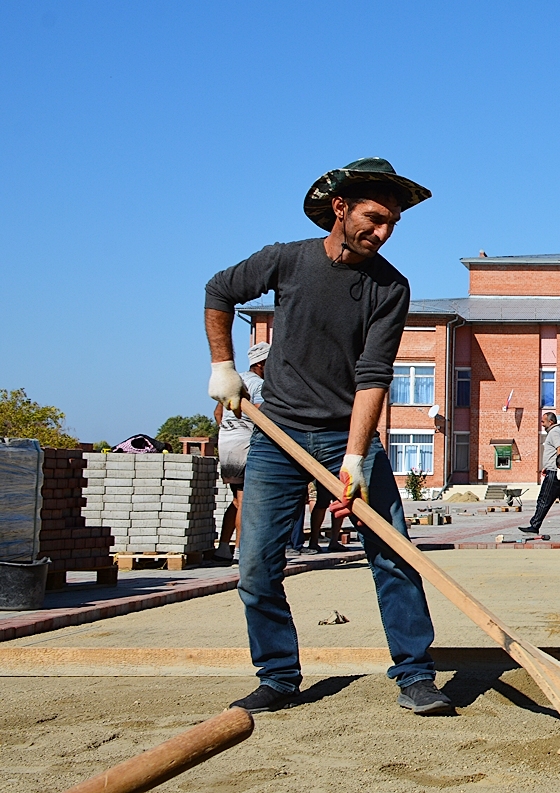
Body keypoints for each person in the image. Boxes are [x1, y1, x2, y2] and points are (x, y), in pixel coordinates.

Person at [204, 157, 451, 715]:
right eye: (373, 218)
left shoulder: (390, 287)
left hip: (348, 434)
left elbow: (373, 376)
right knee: (257, 565)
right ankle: (278, 676)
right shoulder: (286, 261)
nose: (382, 232)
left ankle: (414, 673)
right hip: (278, 435)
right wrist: (223, 366)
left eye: (392, 224)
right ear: (340, 208)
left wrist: (357, 457)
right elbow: (220, 291)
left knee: (392, 555)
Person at [212, 342, 269, 563]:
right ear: (261, 364)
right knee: (246, 501)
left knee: (236, 500)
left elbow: (218, 412)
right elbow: (261, 416)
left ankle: (223, 547)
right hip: (245, 446)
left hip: (227, 444)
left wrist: (228, 431)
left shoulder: (235, 381)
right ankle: (241, 551)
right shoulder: (259, 386)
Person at [517, 412, 560, 536]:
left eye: (543, 421)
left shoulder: (554, 432)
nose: (542, 424)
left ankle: (534, 526)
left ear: (550, 421)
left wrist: (558, 468)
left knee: (544, 499)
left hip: (555, 472)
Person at [308, 482, 348, 552]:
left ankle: (334, 541)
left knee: (339, 503)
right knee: (321, 503)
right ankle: (314, 541)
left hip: (338, 472)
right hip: (325, 473)